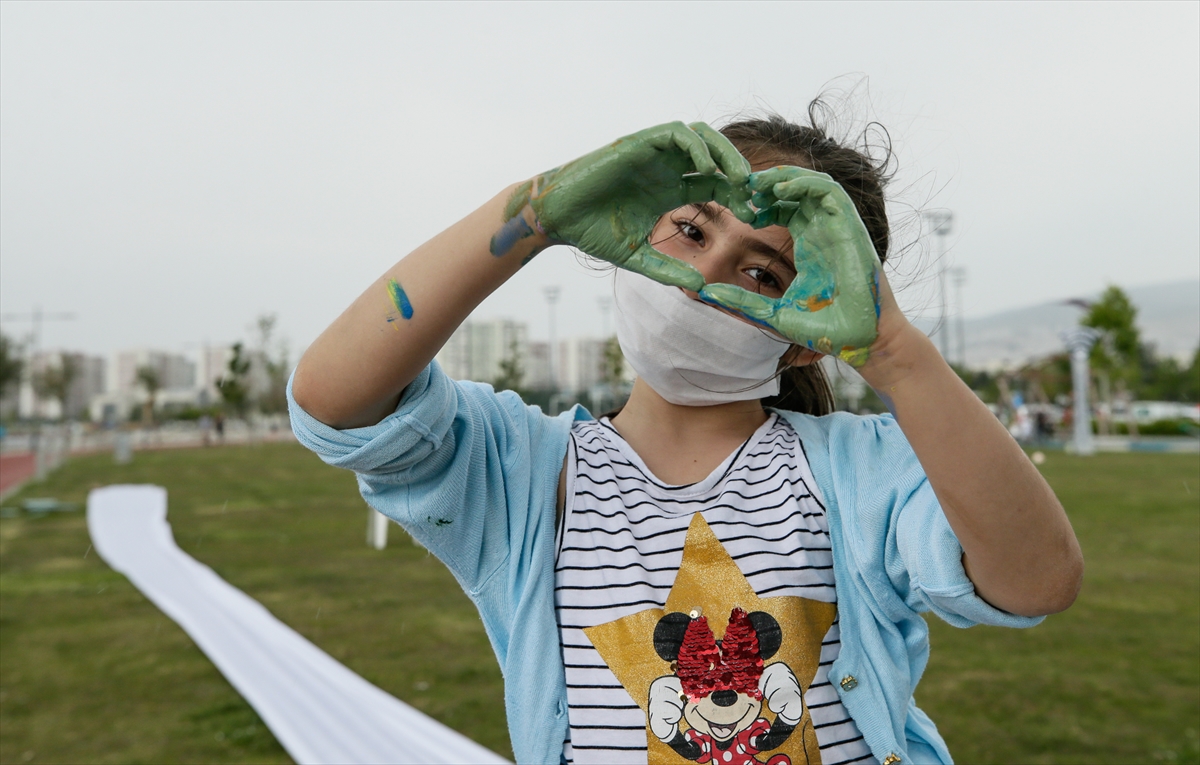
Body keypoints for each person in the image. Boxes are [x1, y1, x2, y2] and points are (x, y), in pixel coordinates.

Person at [289, 106, 1082, 765]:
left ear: (812, 330)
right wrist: (530, 215)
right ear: (629, 227)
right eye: (694, 232)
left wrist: (895, 354)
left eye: (764, 273)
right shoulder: (525, 472)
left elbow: (1037, 578)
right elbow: (335, 400)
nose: (709, 277)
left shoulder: (862, 469)